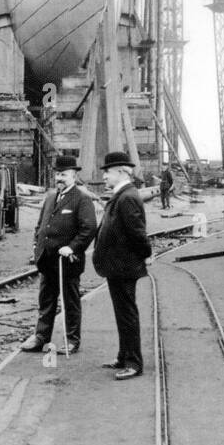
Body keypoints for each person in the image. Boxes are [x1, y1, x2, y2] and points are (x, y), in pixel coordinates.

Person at [21, 154, 97, 355]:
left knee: (70, 301)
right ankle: (40, 337)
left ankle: (72, 340)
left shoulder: (82, 199)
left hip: (67, 262)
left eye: (63, 174)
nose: (59, 178)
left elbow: (89, 229)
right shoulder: (51, 197)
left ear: (73, 175)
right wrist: (36, 245)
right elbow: (41, 224)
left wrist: (72, 247)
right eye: (57, 174)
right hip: (47, 260)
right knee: (45, 300)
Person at [92, 150, 152, 380]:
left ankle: (134, 363)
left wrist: (145, 254)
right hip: (117, 265)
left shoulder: (127, 197)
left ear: (119, 171)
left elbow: (138, 233)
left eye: (107, 172)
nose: (104, 176)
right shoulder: (122, 194)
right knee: (122, 313)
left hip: (124, 266)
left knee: (127, 314)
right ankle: (123, 355)